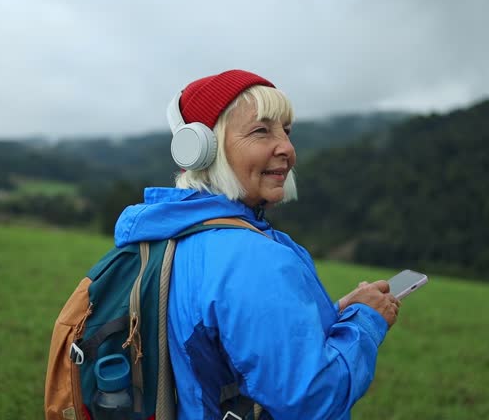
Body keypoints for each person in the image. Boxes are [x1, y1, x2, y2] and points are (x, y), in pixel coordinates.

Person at [114, 70, 401, 420]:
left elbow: (229, 342)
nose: (288, 149)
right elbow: (311, 401)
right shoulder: (251, 259)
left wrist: (339, 311)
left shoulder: (171, 235)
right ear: (202, 150)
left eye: (287, 131)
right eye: (261, 131)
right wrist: (365, 322)